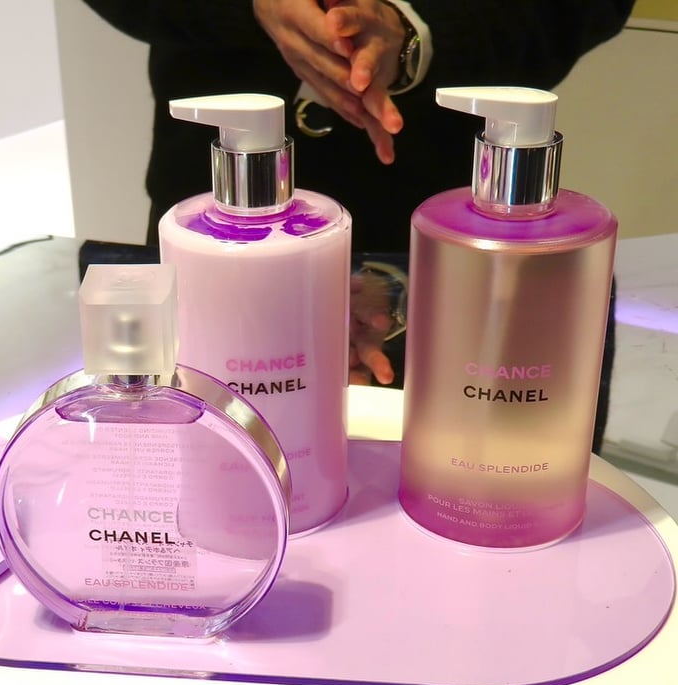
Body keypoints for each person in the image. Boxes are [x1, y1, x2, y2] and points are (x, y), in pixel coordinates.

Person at [78, 0, 633, 451]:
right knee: (204, 445)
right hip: (207, 221)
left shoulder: (466, 227)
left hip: (442, 224)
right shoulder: (187, 229)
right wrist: (250, 7)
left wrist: (418, 29)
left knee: (499, 450)